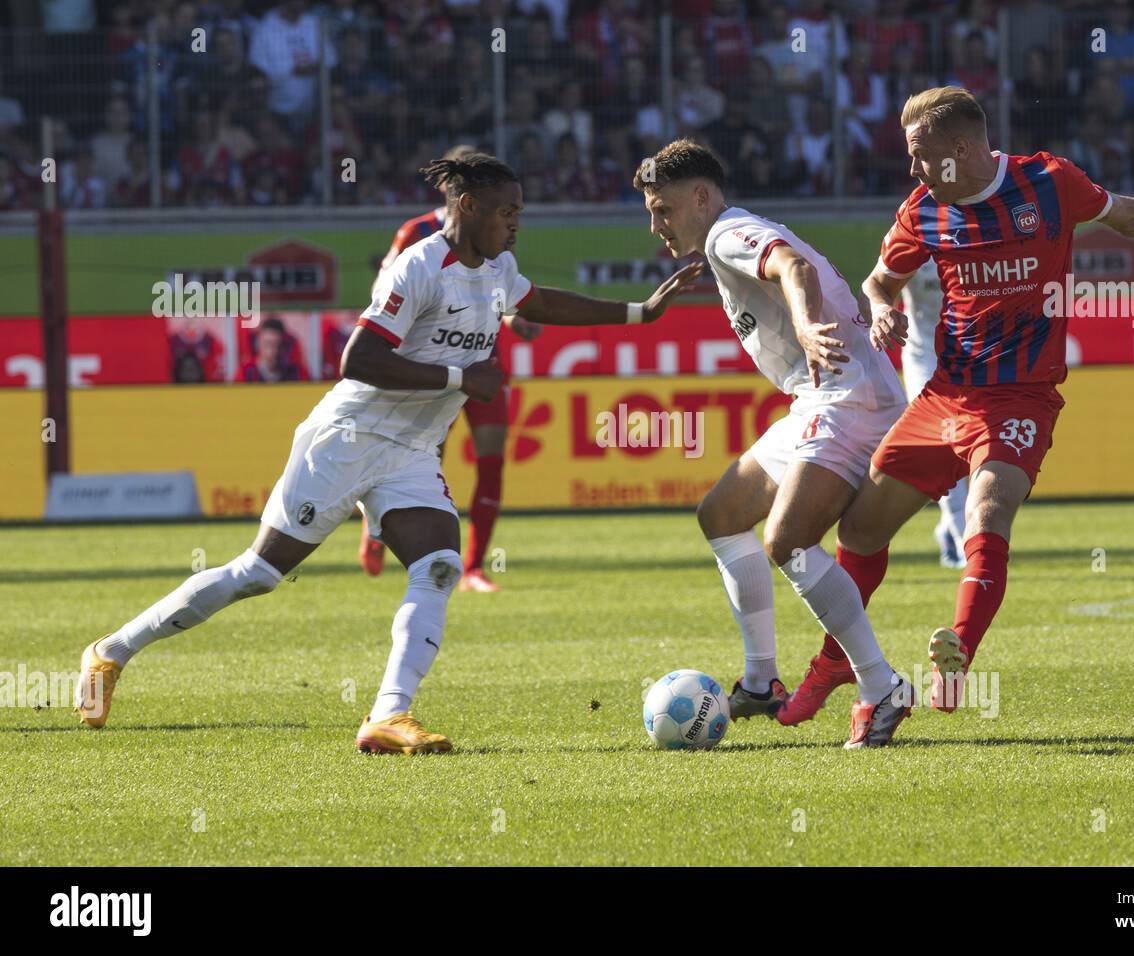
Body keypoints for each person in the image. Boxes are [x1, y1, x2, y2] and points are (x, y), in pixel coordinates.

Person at [75, 152, 702, 754]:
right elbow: (360, 359)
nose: (515, 222)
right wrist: (462, 380)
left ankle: (387, 715)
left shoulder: (496, 270)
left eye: (520, 211)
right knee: (259, 574)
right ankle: (111, 651)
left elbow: (538, 301)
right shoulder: (419, 266)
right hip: (348, 440)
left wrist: (639, 313)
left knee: (438, 565)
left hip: (411, 451)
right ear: (466, 204)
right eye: (506, 210)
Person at [834, 86, 1134, 715]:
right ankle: (829, 670)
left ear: (963, 148)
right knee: (861, 527)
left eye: (921, 154)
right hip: (949, 392)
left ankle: (957, 657)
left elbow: (1130, 216)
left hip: (1022, 394)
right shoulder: (922, 208)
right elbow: (879, 280)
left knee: (988, 508)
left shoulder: (1050, 183)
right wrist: (884, 308)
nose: (913, 168)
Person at [633, 139, 914, 749]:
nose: (656, 225)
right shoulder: (727, 235)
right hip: (821, 398)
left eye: (664, 209)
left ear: (702, 197)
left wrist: (810, 324)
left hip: (848, 399)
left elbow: (795, 266)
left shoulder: (725, 234)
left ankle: (880, 684)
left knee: (786, 541)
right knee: (721, 514)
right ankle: (760, 680)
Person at [356, 146, 544, 592]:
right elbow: (385, 293)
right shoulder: (417, 235)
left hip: (483, 363)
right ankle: (385, 523)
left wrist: (517, 319)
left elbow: (498, 294)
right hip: (427, 366)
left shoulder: (493, 229)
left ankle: (475, 567)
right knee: (424, 460)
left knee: (493, 457)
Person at [900, 258, 967, 568]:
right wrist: (880, 309)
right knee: (944, 446)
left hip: (969, 358)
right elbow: (877, 287)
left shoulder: (978, 238)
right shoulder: (913, 238)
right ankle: (968, 543)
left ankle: (948, 528)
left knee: (972, 450)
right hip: (923, 358)